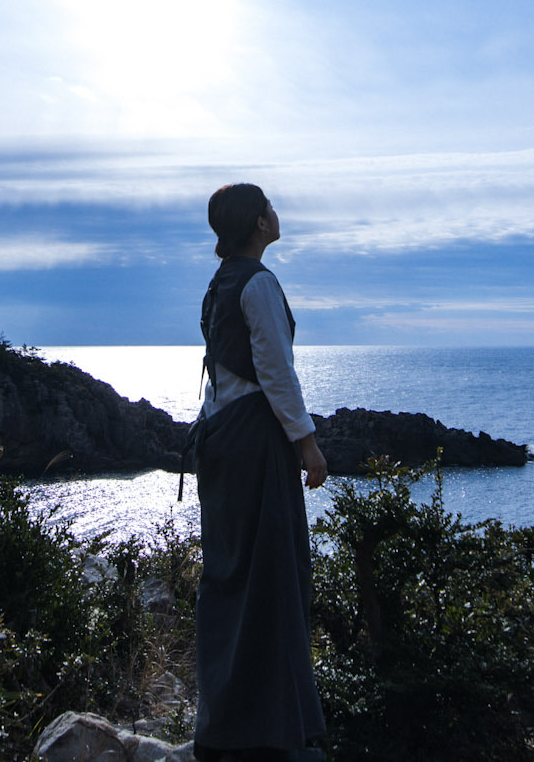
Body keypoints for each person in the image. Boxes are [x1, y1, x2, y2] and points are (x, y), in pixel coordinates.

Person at [190, 183, 328, 762]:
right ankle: (271, 729)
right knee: (271, 577)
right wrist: (308, 445)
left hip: (220, 438)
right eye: (269, 207)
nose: (277, 214)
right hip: (255, 443)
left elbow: (221, 377)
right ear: (257, 224)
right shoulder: (258, 283)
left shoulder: (219, 285)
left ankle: (225, 723)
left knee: (230, 576)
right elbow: (275, 372)